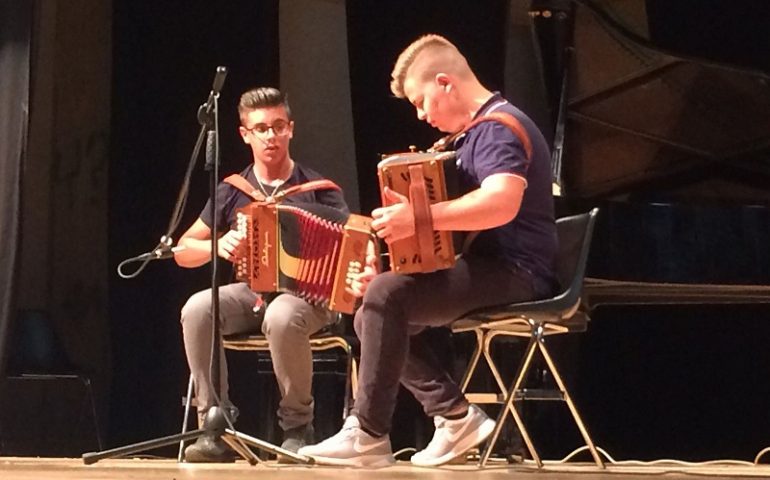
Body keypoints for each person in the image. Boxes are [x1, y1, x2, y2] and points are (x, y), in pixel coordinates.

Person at [298, 34, 558, 467]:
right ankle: (456, 417)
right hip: (482, 266)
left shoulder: (498, 129)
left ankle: (367, 434)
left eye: (422, 102)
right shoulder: (472, 136)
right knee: (372, 307)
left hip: (519, 271)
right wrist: (389, 259)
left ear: (445, 83)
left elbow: (501, 202)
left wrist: (419, 219)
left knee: (385, 296)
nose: (421, 115)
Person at [174, 87, 350, 462]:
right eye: (261, 128)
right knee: (197, 308)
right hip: (251, 293)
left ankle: (298, 426)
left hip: (309, 300)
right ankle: (214, 424)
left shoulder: (319, 191)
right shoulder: (231, 191)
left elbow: (351, 250)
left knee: (282, 313)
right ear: (245, 135)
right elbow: (182, 252)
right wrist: (215, 246)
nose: (271, 136)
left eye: (278, 126)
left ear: (291, 129)